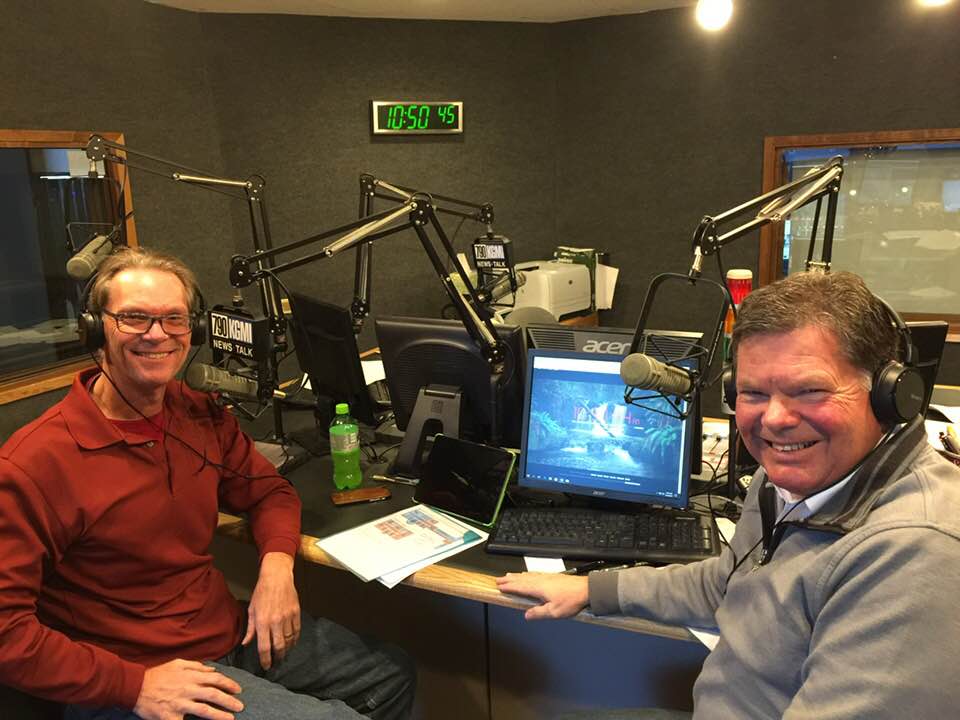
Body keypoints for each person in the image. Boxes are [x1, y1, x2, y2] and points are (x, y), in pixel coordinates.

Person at [497, 271, 960, 718]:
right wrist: (593, 588)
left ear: (890, 395)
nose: (774, 419)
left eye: (809, 390)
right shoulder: (785, 479)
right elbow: (725, 583)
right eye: (753, 393)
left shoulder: (915, 554)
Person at [0, 247, 415, 720]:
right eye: (134, 318)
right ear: (95, 329)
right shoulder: (35, 462)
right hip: (135, 676)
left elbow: (269, 491)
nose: (157, 334)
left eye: (173, 319)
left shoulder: (196, 413)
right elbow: (5, 631)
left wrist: (276, 570)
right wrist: (132, 685)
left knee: (390, 674)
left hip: (222, 632)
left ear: (193, 330)